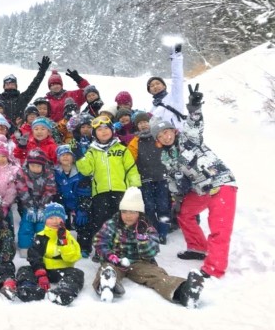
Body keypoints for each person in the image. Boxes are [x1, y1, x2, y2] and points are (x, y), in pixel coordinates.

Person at [155, 84, 237, 278]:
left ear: (173, 131)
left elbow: (195, 126)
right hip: (200, 190)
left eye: (167, 131)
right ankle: (198, 248)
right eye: (160, 135)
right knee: (184, 214)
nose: (166, 136)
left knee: (219, 228)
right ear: (157, 139)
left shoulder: (187, 139)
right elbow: (173, 181)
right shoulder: (166, 158)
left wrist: (194, 109)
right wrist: (177, 198)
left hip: (220, 183)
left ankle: (214, 268)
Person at [92, 187, 205, 308]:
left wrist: (143, 241)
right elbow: (99, 242)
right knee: (107, 269)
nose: (128, 216)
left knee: (156, 275)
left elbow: (152, 252)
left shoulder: (147, 228)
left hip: (140, 262)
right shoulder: (112, 224)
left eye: (132, 212)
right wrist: (111, 257)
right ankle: (107, 286)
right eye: (124, 211)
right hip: (116, 261)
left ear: (139, 213)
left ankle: (183, 291)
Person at [75, 115, 141, 240]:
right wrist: (79, 156)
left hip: (121, 191)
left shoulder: (122, 149)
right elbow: (86, 170)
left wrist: (135, 188)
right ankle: (102, 248)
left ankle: (122, 246)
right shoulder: (91, 152)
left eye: (106, 128)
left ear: (112, 130)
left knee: (122, 220)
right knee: (101, 221)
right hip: (100, 192)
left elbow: (131, 169)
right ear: (95, 134)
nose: (103, 131)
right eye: (99, 129)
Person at [15, 203, 84, 305]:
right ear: (45, 220)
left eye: (58, 218)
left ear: (63, 220)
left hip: (63, 269)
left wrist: (63, 241)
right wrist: (40, 273)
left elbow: (73, 257)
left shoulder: (68, 236)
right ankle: (29, 289)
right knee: (24, 270)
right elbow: (34, 255)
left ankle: (64, 292)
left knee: (77, 273)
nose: (55, 221)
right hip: (44, 269)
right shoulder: (40, 236)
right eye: (51, 218)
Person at [127, 112, 171, 244]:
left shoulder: (158, 136)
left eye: (145, 121)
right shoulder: (135, 141)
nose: (143, 125)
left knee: (163, 206)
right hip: (145, 179)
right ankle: (153, 231)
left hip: (162, 177)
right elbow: (130, 160)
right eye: (140, 123)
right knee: (149, 207)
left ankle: (163, 232)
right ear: (137, 126)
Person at [0, 56, 51, 123]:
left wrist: (42, 71)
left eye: (12, 84)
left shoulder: (22, 98)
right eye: (7, 84)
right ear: (4, 86)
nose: (10, 86)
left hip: (20, 130)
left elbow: (34, 86)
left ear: (16, 86)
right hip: (2, 129)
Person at [16, 149, 57, 258]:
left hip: (44, 203)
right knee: (27, 224)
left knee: (41, 224)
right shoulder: (22, 173)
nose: (35, 168)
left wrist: (42, 207)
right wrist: (29, 207)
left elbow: (50, 190)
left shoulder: (49, 173)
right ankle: (25, 246)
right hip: (27, 202)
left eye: (38, 166)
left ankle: (42, 246)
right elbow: (22, 190)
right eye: (32, 165)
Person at [53, 145, 92, 257]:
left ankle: (84, 246)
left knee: (83, 221)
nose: (65, 157)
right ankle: (62, 245)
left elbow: (85, 193)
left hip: (77, 201)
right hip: (62, 202)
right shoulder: (56, 173)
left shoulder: (81, 173)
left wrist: (82, 209)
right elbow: (55, 191)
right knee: (59, 223)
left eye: (68, 155)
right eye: (63, 155)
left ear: (73, 158)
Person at [148, 43, 186, 131]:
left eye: (158, 83)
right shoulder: (153, 109)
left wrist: (176, 57)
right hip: (165, 142)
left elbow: (177, 78)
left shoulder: (174, 96)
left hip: (180, 136)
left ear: (164, 86)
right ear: (150, 91)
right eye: (152, 86)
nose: (155, 86)